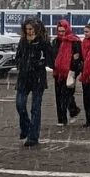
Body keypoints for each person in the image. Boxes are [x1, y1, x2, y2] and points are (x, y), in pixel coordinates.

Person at [14, 18, 53, 147]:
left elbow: (50, 60)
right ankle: (25, 127)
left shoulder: (43, 42)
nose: (29, 32)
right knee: (20, 105)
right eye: (27, 29)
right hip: (23, 78)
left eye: (31, 29)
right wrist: (21, 64)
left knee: (35, 108)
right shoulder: (23, 41)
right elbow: (18, 56)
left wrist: (39, 62)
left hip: (37, 78)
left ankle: (33, 136)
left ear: (36, 29)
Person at [51, 19, 82, 125]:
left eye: (63, 31)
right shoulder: (55, 41)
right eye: (59, 31)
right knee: (58, 95)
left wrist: (73, 70)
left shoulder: (74, 41)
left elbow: (78, 57)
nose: (61, 33)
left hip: (70, 72)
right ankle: (62, 118)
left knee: (66, 94)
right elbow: (53, 55)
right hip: (58, 72)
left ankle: (72, 111)